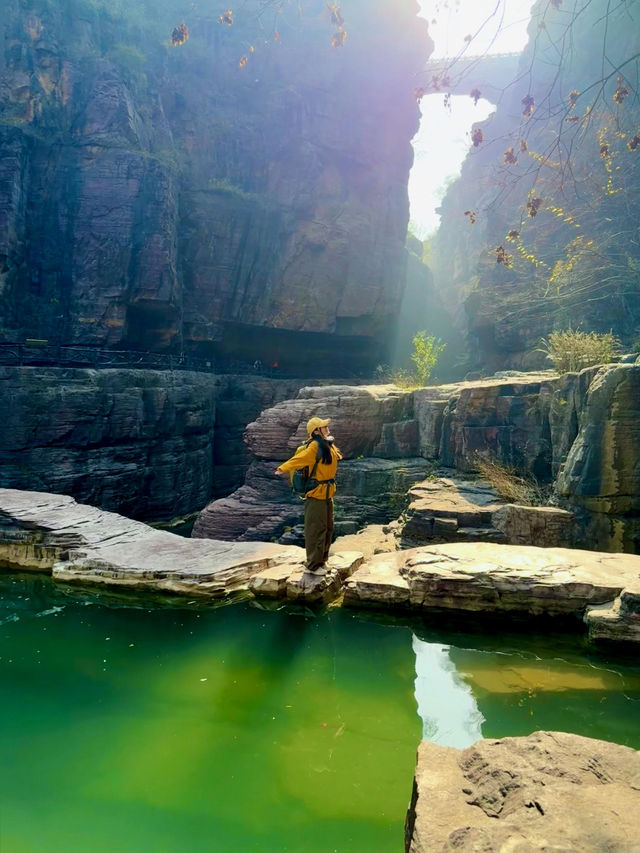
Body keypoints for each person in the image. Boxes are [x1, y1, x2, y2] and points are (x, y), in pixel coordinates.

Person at [274, 416, 342, 575]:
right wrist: (283, 468)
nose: (327, 428)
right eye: (324, 426)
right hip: (316, 494)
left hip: (327, 492)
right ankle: (312, 565)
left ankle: (322, 561)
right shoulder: (314, 446)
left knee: (327, 528)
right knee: (315, 529)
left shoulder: (326, 444)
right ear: (316, 431)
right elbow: (299, 459)